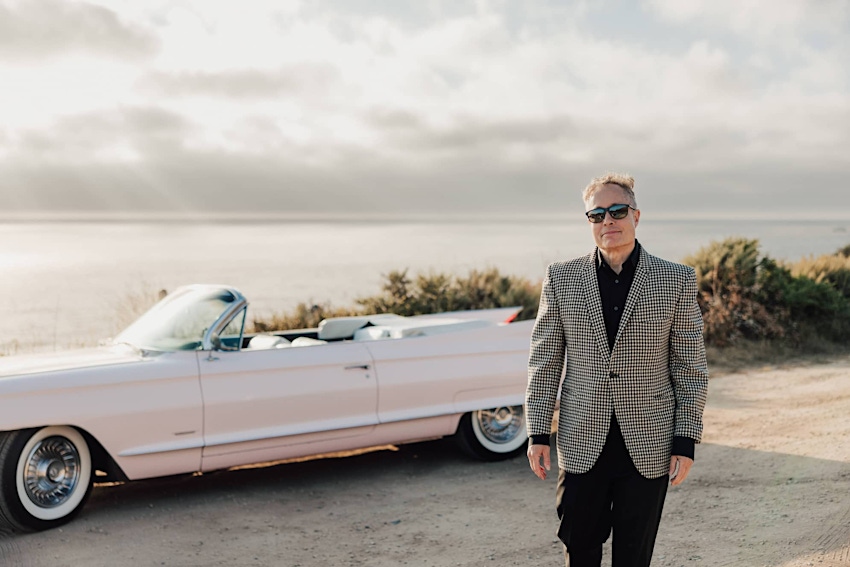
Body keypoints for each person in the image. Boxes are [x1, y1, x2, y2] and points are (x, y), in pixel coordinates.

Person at [525, 173, 708, 567]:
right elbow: (544, 360)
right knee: (579, 547)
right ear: (589, 222)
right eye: (596, 214)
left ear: (636, 216)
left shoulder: (675, 279)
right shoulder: (561, 278)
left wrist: (685, 439)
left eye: (617, 210)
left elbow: (689, 367)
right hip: (580, 438)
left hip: (648, 441)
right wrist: (538, 432)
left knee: (633, 555)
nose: (608, 221)